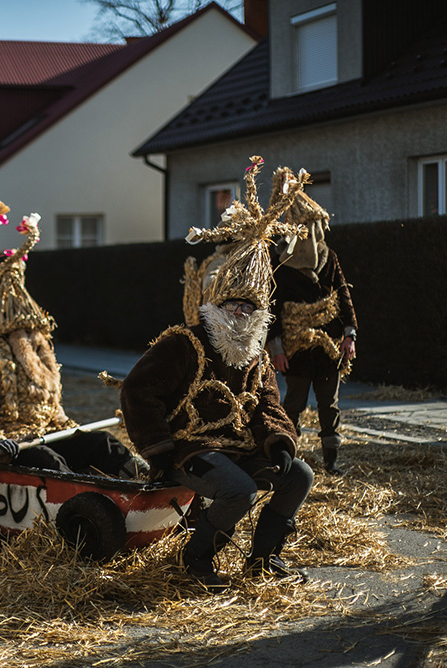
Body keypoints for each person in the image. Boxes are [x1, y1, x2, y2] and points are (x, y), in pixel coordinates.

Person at [119, 157, 314, 591]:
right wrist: (161, 450)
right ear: (219, 304)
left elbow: (267, 403)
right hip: (191, 449)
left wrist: (279, 441)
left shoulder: (257, 354)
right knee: (239, 491)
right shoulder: (183, 343)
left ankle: (265, 559)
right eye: (234, 306)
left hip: (241, 446)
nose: (241, 315)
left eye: (250, 309)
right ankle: (196, 561)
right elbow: (137, 390)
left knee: (300, 474)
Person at [0, 202, 143, 479]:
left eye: (36, 332)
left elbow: (55, 413)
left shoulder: (44, 364)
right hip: (13, 446)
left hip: (48, 435)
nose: (32, 339)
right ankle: (81, 496)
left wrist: (74, 430)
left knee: (102, 444)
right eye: (24, 332)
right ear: (9, 333)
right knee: (46, 461)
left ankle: (144, 479)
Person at [266, 168, 357, 475]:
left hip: (329, 348)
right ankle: (286, 459)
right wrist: (276, 347)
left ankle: (331, 461)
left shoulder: (329, 258)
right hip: (297, 350)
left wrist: (350, 334)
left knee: (329, 406)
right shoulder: (280, 263)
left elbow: (343, 293)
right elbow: (273, 309)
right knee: (293, 405)